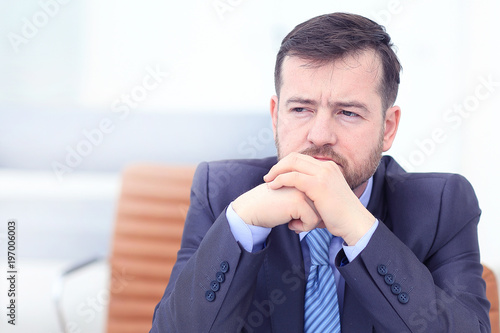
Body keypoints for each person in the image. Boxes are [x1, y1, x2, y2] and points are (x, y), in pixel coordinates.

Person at [150, 12, 490, 332]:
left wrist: (360, 229)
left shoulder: (442, 205)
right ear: (275, 117)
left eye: (347, 113)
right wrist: (243, 224)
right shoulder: (221, 192)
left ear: (388, 127)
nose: (320, 135)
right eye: (300, 109)